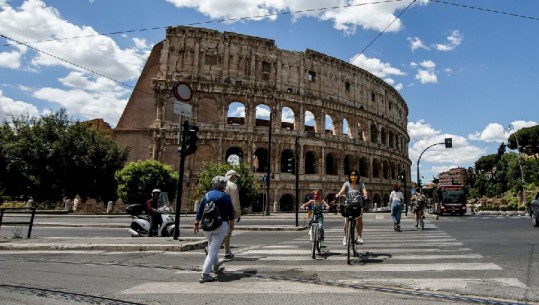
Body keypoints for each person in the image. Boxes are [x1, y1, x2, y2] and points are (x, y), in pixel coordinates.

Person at [194, 176, 235, 283]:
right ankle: (205, 274)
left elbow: (200, 210)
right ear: (224, 186)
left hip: (206, 225)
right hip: (221, 225)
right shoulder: (225, 196)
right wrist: (232, 224)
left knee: (212, 245)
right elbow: (231, 212)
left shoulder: (207, 195)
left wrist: (196, 223)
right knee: (213, 250)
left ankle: (216, 265)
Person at [336, 169, 368, 246]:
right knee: (346, 220)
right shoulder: (346, 184)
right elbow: (342, 191)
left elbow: (364, 191)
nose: (353, 176)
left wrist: (365, 195)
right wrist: (339, 194)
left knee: (359, 219)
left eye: (355, 175)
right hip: (348, 205)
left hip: (358, 205)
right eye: (352, 175)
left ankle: (359, 236)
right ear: (349, 176)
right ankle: (345, 236)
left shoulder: (361, 184)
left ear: (357, 176)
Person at [221, 169, 241, 259]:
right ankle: (210, 248)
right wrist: (237, 213)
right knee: (228, 232)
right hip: (228, 211)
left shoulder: (220, 184)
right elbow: (235, 201)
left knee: (225, 232)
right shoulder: (233, 186)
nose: (236, 178)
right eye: (235, 176)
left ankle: (227, 252)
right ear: (232, 176)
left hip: (218, 210)